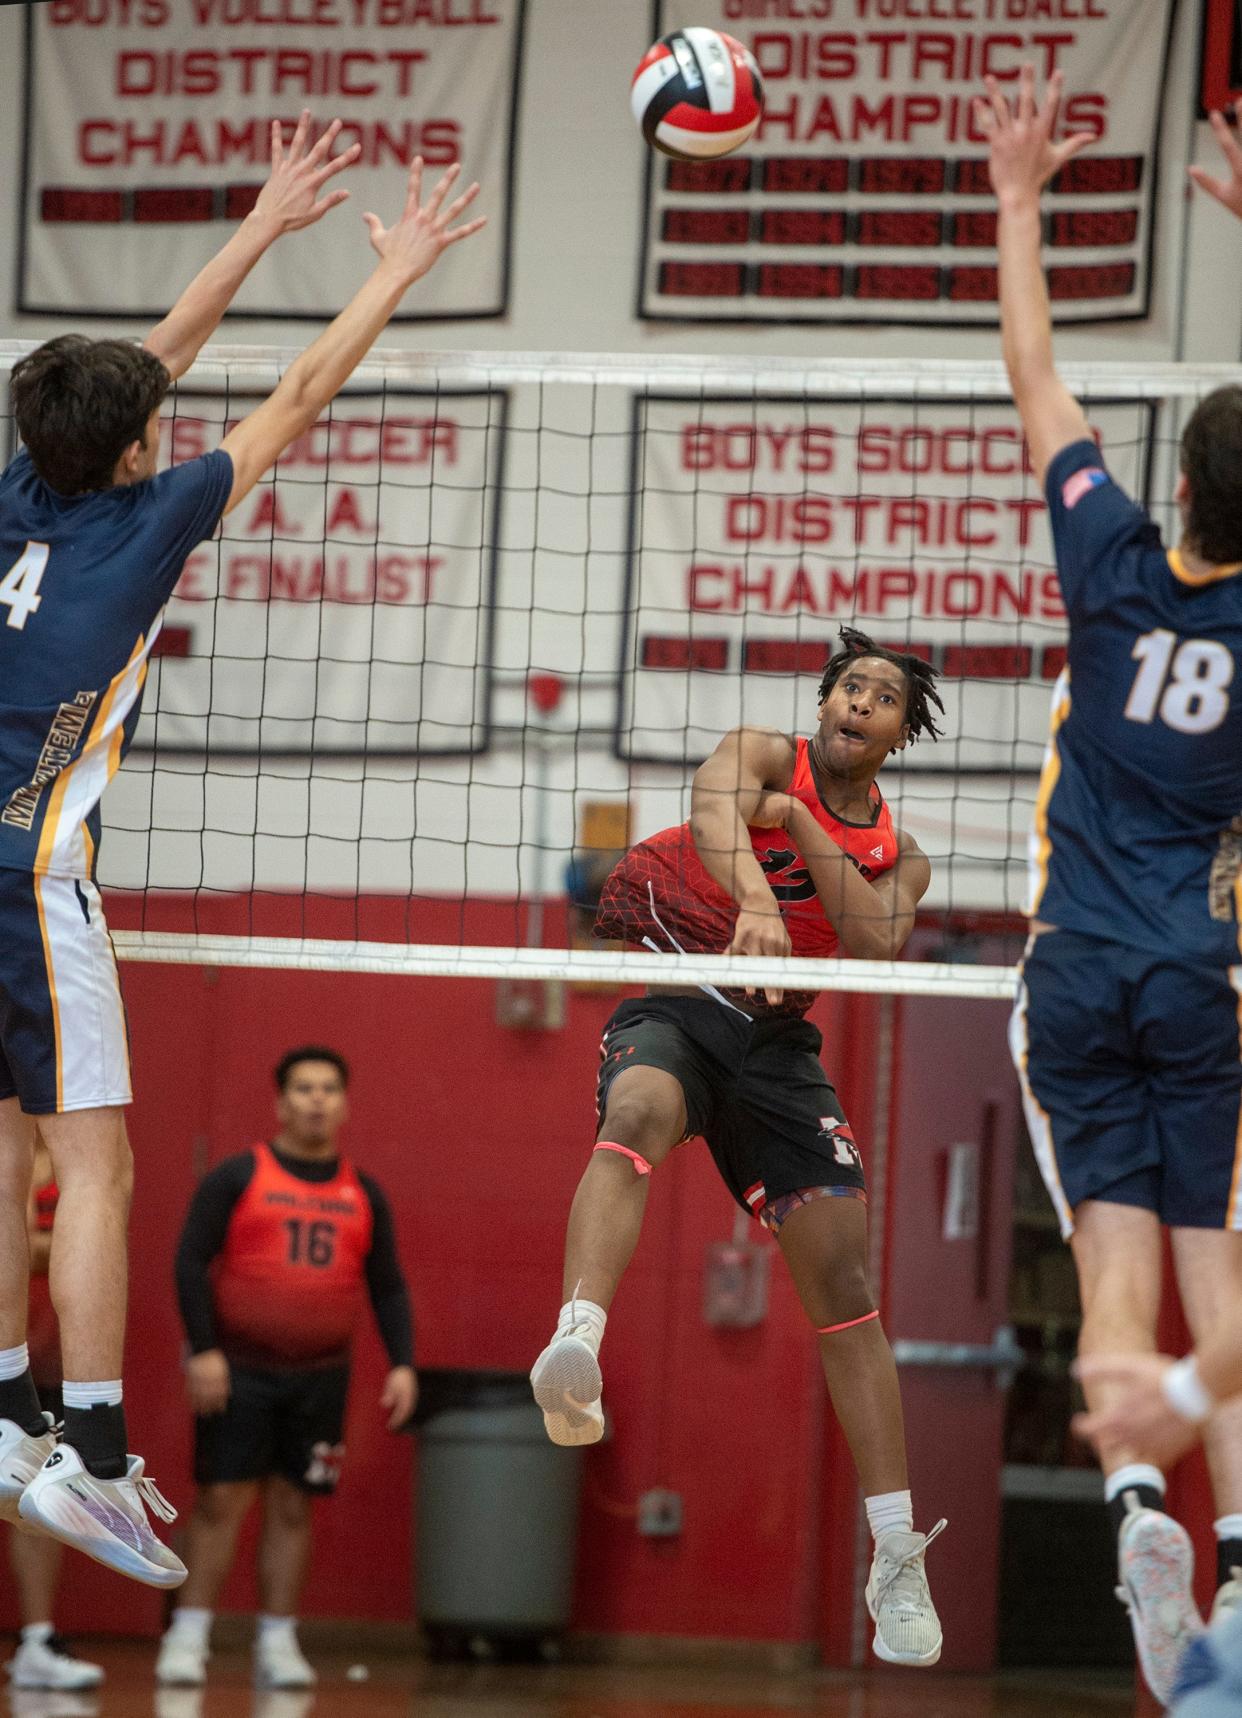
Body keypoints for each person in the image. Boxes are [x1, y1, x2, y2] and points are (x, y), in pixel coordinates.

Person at [0, 111, 483, 1587]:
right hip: (34, 882)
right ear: (138, 449)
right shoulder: (149, 525)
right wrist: (388, 269)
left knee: (6, 1141)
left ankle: (11, 1401)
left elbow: (144, 365)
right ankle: (84, 1445)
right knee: (101, 1164)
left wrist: (264, 226)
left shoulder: (22, 488)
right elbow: (302, 388)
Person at [975, 66, 1242, 1706]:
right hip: (1200, 975)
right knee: (1219, 1267)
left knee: (1111, 1260)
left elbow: (1033, 371)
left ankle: (1138, 1494)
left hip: (1072, 963)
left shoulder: (1109, 561)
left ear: (1184, 486)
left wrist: (1017, 200)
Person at [531, 626, 949, 1667]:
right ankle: (576, 1340)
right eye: (848, 684)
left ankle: (894, 1549)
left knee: (846, 1276)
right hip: (684, 990)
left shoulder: (905, 852)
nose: (858, 702)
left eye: (882, 696)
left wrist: (803, 825)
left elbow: (877, 933)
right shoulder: (762, 750)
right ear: (822, 702)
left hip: (778, 1046)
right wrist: (756, 896)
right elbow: (716, 808)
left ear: (903, 731)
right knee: (634, 1114)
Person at [156, 1046, 416, 1692]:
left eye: (329, 1088)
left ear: (345, 1103)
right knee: (220, 1501)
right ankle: (188, 1637)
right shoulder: (238, 1175)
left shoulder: (365, 1192)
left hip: (321, 1376)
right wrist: (205, 1349)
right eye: (303, 1088)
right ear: (280, 1101)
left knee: (294, 1504)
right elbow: (190, 1261)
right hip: (239, 1370)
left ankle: (277, 1641)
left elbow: (387, 1287)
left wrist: (404, 1364)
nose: (317, 1099)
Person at [4, 1142, 103, 1693]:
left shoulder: (86, 1155)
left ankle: (37, 1641)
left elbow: (98, 1253)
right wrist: (61, 1247)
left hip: (43, 1360)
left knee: (37, 1499)